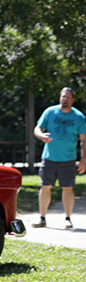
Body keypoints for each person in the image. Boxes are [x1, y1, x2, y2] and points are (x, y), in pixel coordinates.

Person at [32, 87, 86, 229]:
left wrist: (83, 160)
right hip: (49, 158)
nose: (64, 99)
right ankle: (42, 218)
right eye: (63, 96)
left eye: (67, 97)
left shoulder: (79, 117)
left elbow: (84, 140)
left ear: (73, 100)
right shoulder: (50, 112)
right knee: (45, 186)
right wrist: (41, 136)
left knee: (68, 188)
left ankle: (68, 218)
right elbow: (37, 129)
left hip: (68, 159)